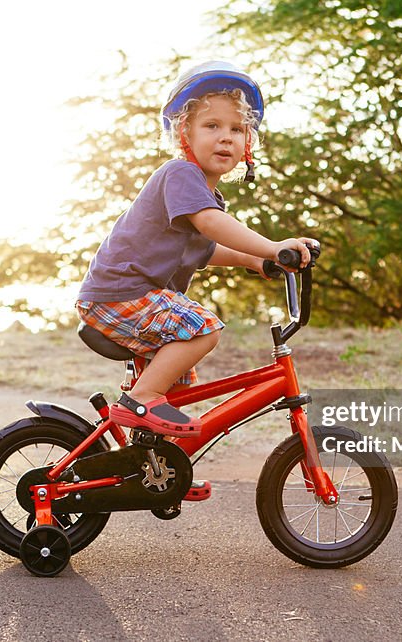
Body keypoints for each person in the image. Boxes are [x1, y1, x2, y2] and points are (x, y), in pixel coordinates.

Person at [76, 61, 316, 438]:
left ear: (247, 144)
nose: (226, 138)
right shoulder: (181, 174)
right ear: (184, 132)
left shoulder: (205, 195)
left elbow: (205, 249)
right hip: (121, 294)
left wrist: (256, 260)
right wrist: (272, 247)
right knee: (203, 329)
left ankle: (159, 467)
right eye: (212, 126)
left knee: (181, 388)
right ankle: (139, 401)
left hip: (131, 297)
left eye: (237, 129)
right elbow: (210, 225)